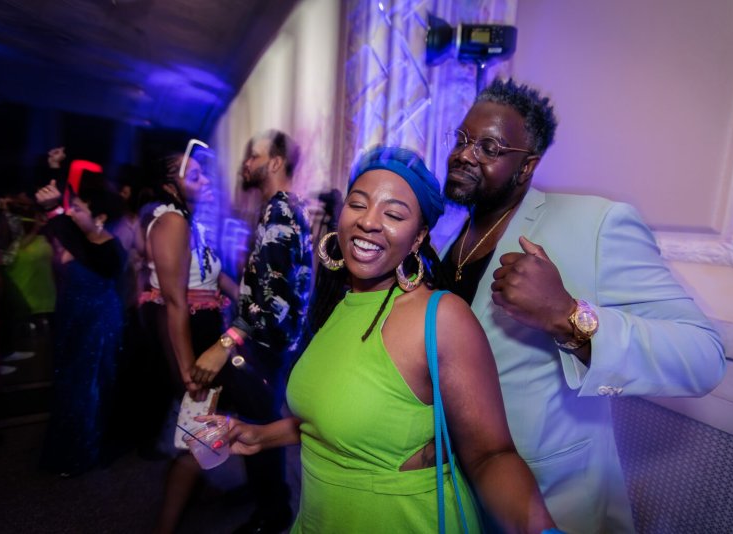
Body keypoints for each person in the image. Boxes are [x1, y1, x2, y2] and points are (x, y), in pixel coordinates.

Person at [201, 146, 557, 533]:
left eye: (393, 214)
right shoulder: (339, 303)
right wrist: (258, 434)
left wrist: (542, 530)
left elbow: (492, 455)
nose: (369, 222)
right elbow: (332, 420)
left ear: (419, 236)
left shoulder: (439, 318)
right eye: (358, 203)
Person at [437, 78, 727, 533]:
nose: (464, 154)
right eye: (462, 139)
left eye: (490, 147)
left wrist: (567, 315)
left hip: (548, 496)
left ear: (527, 166)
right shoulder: (443, 238)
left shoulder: (595, 223)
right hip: (450, 494)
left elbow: (704, 356)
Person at [191, 129, 313, 534]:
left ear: (274, 163)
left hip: (264, 346)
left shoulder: (279, 209)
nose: (246, 163)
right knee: (252, 423)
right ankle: (264, 495)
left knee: (258, 428)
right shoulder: (276, 209)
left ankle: (272, 513)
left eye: (253, 155)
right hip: (266, 343)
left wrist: (226, 343)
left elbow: (274, 300)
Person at [138, 150, 240, 533]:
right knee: (198, 431)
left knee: (198, 427)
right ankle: (167, 524)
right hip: (189, 336)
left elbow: (214, 279)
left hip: (203, 331)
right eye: (195, 177)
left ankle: (196, 488)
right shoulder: (171, 223)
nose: (207, 181)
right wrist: (187, 369)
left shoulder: (191, 222)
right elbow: (176, 302)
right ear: (171, 186)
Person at [35, 175, 127, 477]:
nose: (72, 213)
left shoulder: (109, 250)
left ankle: (83, 451)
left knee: (88, 388)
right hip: (73, 320)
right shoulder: (81, 242)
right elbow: (63, 241)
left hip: (97, 326)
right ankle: (67, 447)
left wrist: (54, 211)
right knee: (67, 384)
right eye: (71, 208)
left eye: (78, 209)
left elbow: (80, 249)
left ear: (100, 218)